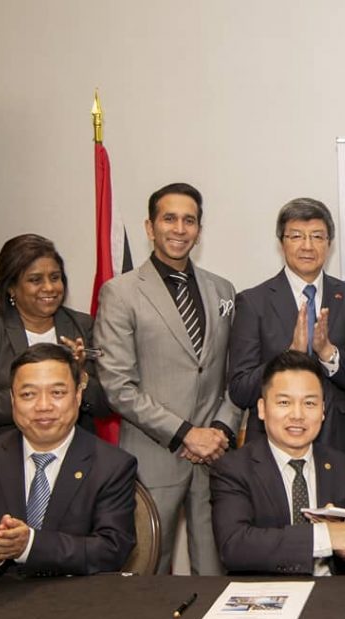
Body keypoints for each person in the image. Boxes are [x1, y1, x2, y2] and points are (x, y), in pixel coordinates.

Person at [95, 182, 241, 575]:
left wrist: (220, 430)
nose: (179, 229)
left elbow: (234, 373)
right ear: (150, 227)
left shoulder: (222, 290)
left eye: (189, 220)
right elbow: (117, 386)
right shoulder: (120, 293)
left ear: (199, 229)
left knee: (215, 573)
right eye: (169, 219)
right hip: (153, 457)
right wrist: (185, 434)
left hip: (214, 458)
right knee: (150, 576)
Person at [0, 343, 136, 580]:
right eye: (28, 394)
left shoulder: (112, 465)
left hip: (75, 596)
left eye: (57, 393)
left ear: (78, 395)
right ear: (13, 399)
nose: (43, 406)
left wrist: (29, 545)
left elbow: (112, 550)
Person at [228, 198, 345, 475]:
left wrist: (329, 355)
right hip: (271, 450)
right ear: (282, 243)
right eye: (296, 236)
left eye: (317, 236)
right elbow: (240, 389)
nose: (307, 246)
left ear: (329, 243)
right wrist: (288, 357)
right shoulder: (253, 302)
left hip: (339, 446)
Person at [210, 351, 345, 575]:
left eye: (309, 403)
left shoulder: (341, 466)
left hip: (331, 591)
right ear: (262, 409)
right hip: (266, 593)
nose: (297, 415)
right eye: (284, 402)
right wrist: (324, 537)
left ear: (323, 410)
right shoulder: (233, 468)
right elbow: (234, 546)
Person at [0, 234, 109, 444]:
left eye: (55, 277)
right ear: (11, 287)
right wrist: (30, 394)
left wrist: (79, 375)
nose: (49, 288)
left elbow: (105, 405)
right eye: (35, 280)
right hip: (5, 453)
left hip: (74, 454)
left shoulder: (82, 326)